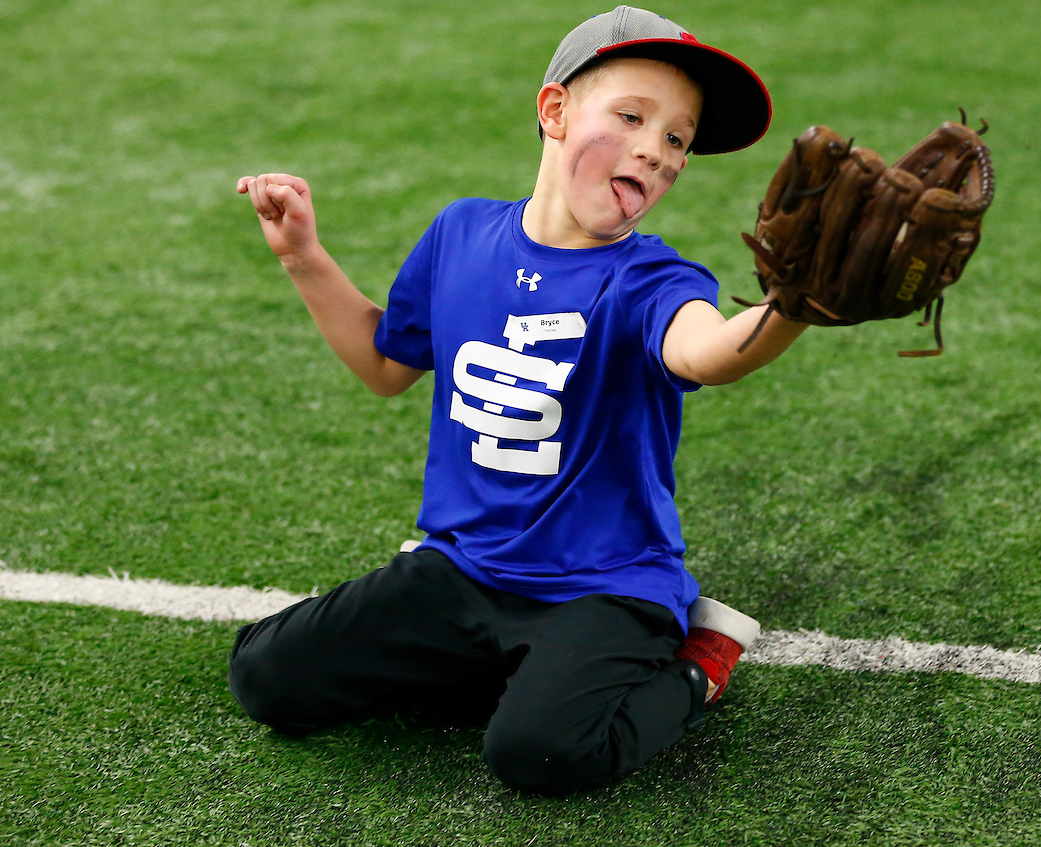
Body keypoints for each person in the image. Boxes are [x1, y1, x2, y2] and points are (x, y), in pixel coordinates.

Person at [228, 5, 807, 794]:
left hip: (606, 586)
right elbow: (386, 366)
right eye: (632, 117)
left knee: (539, 751)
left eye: (678, 138)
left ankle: (700, 661)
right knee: (267, 675)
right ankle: (510, 664)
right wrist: (303, 254)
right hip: (462, 567)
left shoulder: (651, 278)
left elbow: (706, 351)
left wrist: (793, 306)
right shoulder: (460, 233)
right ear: (555, 111)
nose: (656, 150)